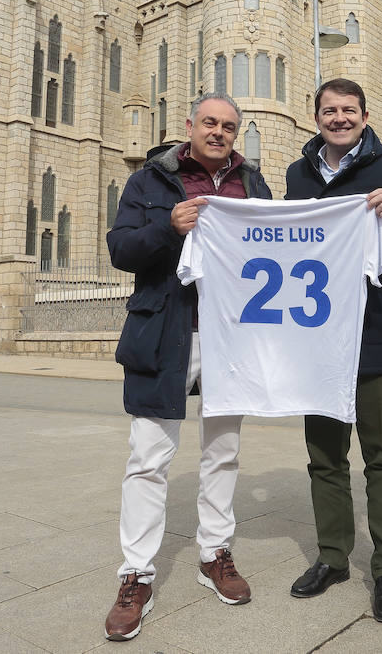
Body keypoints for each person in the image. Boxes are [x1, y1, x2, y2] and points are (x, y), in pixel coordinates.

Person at [103, 93, 272, 642]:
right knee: (149, 456)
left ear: (236, 133)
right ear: (189, 126)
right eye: (210, 123)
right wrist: (168, 228)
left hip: (233, 335)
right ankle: (136, 574)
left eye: (228, 126)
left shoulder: (255, 184)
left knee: (223, 451)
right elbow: (121, 250)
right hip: (166, 330)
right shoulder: (149, 182)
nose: (219, 132)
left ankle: (214, 554)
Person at [284, 78, 382, 624]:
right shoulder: (297, 175)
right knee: (325, 456)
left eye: (349, 110)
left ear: (365, 116)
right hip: (317, 338)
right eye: (330, 110)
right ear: (316, 115)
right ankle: (332, 558)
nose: (340, 118)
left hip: (377, 332)